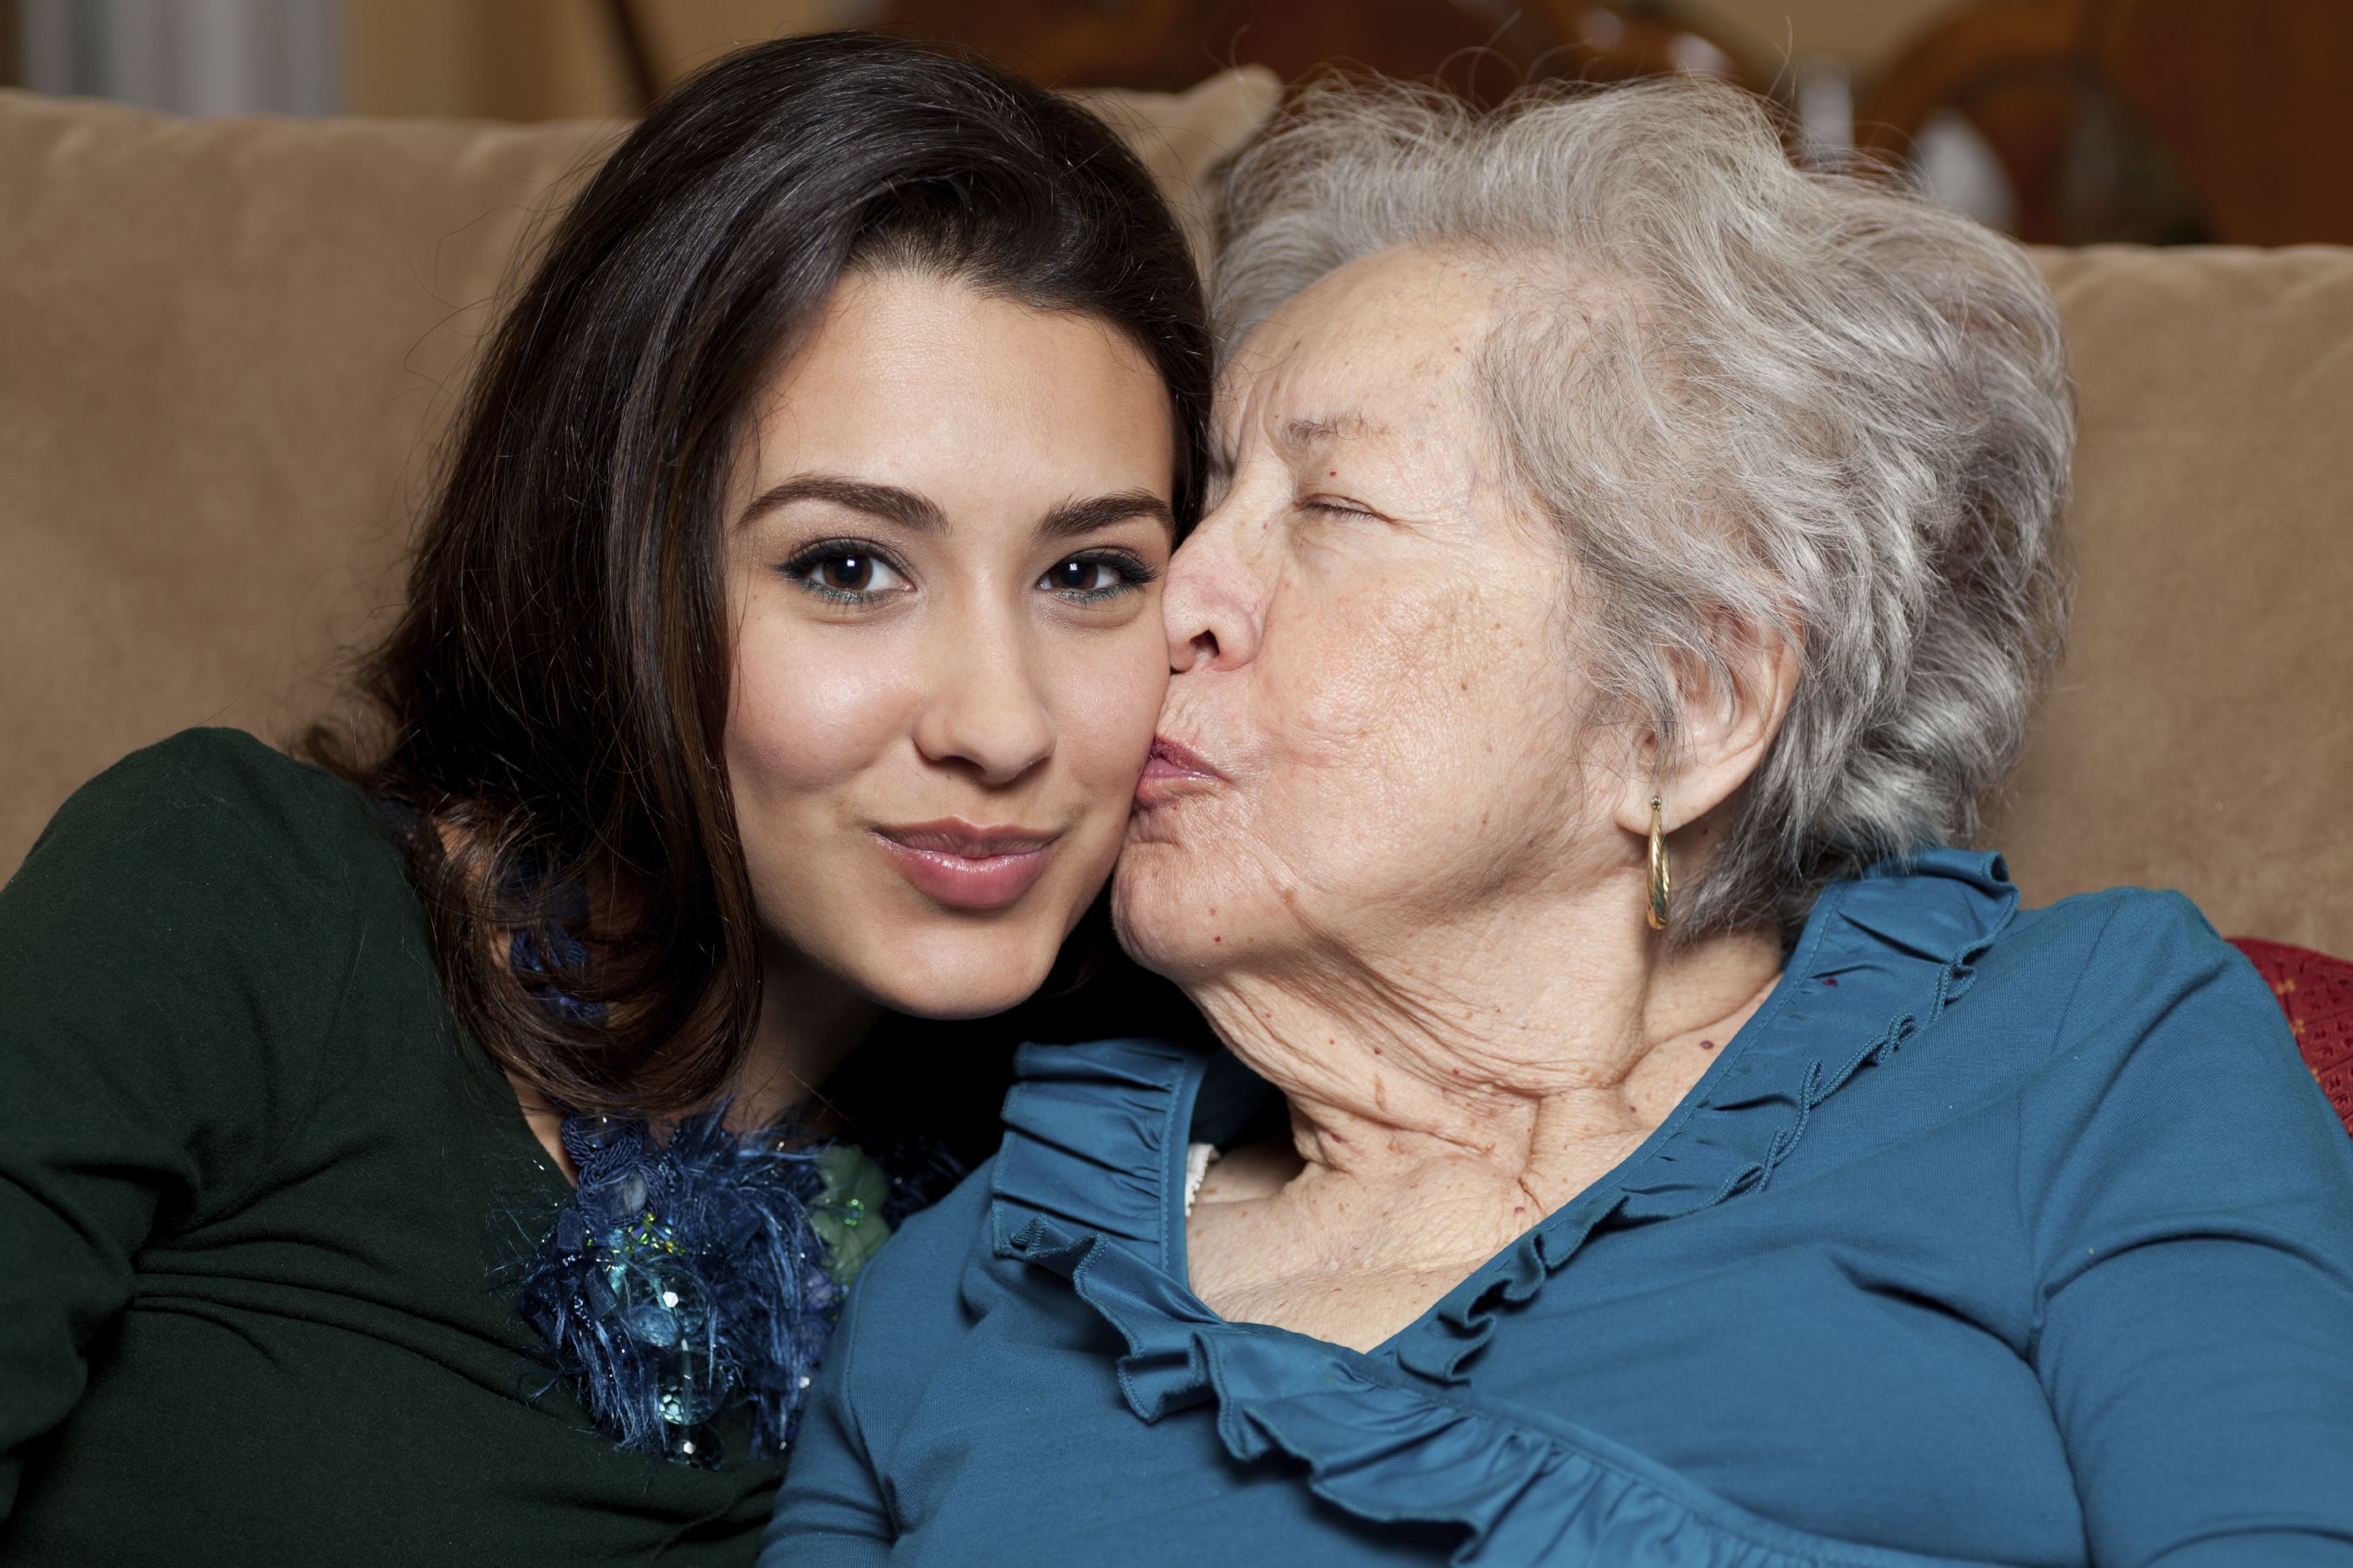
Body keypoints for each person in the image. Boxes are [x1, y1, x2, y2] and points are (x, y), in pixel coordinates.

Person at [770, 75, 2353, 1566]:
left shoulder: (2083, 1056)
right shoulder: (972, 1278)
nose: (1168, 597)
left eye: (1328, 510)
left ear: (1685, 707)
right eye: (1201, 506)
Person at [0, 33, 1209, 1567]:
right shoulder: (234, 900)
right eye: (846, 567)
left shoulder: (1120, 1168)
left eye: (1090, 572)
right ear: (622, 576)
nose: (999, 723)